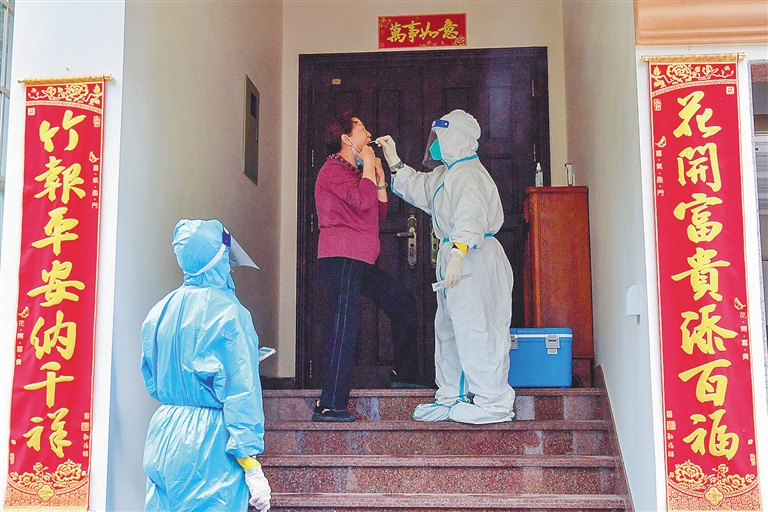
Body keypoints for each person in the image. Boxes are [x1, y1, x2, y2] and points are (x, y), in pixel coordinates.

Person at [376, 109, 516, 425]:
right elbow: (421, 187)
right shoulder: (447, 174)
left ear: (456, 139)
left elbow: (470, 216)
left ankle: (492, 402)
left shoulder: (469, 174)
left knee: (477, 328)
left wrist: (458, 252)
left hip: (474, 258)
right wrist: (394, 161)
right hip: (457, 257)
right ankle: (452, 396)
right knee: (450, 330)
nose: (435, 144)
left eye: (440, 137)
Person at [141, 219, 271, 511]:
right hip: (208, 443)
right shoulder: (230, 314)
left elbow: (152, 375)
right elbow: (241, 393)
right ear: (220, 257)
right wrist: (251, 464)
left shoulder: (160, 311)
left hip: (164, 433)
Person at [313, 111, 430, 423]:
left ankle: (405, 375)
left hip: (361, 259)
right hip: (342, 257)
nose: (368, 133)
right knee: (344, 325)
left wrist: (378, 179)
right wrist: (367, 167)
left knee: (402, 302)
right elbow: (361, 202)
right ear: (346, 138)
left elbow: (376, 212)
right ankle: (329, 404)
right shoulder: (332, 170)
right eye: (361, 128)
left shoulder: (354, 172)